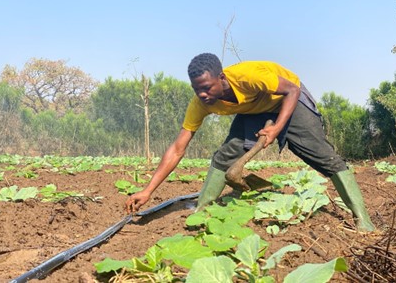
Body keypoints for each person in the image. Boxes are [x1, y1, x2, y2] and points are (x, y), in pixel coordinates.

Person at [125, 53, 375, 232]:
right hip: (255, 109)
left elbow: (291, 91)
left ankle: (363, 218)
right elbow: (178, 148)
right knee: (225, 156)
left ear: (221, 78)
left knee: (322, 156)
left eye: (207, 88)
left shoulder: (249, 76)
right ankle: (203, 208)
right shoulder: (200, 103)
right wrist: (148, 191)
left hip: (288, 97)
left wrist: (277, 127)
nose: (202, 94)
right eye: (196, 89)